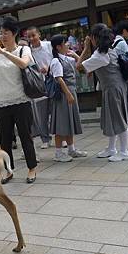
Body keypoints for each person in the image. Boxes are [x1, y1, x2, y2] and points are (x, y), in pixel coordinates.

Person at [0, 16, 38, 183]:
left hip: (21, 100)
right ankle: (8, 171)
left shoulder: (23, 50)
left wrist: (2, 52)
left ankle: (32, 168)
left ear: (14, 33)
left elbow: (24, 64)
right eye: (1, 33)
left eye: (6, 32)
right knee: (4, 140)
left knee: (26, 137)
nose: (2, 36)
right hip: (1, 102)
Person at [77, 24, 128, 162]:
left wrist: (85, 48)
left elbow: (79, 67)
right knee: (112, 118)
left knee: (118, 118)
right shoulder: (107, 51)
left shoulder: (101, 55)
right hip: (113, 87)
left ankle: (124, 151)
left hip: (113, 88)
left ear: (95, 38)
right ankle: (112, 148)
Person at [48, 34, 87, 162]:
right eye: (65, 43)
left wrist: (77, 55)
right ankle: (58, 153)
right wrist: (69, 94)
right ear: (58, 47)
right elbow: (59, 79)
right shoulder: (55, 61)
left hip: (70, 92)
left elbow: (80, 65)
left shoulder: (66, 58)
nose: (67, 45)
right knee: (61, 123)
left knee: (68, 122)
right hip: (63, 95)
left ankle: (71, 149)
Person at [27, 26, 54, 149]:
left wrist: (49, 69)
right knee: (41, 114)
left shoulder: (49, 45)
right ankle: (45, 138)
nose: (32, 38)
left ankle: (61, 136)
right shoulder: (28, 51)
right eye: (29, 36)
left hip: (53, 81)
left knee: (55, 111)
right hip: (38, 85)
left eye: (34, 35)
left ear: (39, 34)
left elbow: (56, 59)